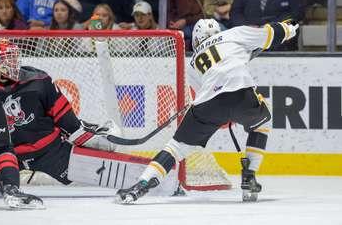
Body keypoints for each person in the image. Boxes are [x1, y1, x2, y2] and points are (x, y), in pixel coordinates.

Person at [116, 18, 299, 203]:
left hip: (207, 106)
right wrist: (289, 28)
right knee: (262, 123)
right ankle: (249, 174)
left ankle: (141, 184)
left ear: (196, 40)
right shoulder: (233, 34)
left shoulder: (193, 62)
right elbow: (270, 33)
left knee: (175, 148)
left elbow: (207, 93)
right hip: (241, 97)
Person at [0, 39, 121, 209]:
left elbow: (65, 117)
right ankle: (9, 186)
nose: (13, 63)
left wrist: (86, 138)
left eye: (14, 58)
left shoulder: (38, 80)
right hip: (3, 151)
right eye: (7, 59)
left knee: (81, 184)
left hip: (49, 150)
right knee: (0, 150)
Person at [230, 0, 304, 51]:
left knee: (292, 26)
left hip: (279, 36)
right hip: (250, 37)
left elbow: (298, 14)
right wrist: (247, 27)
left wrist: (271, 28)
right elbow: (235, 13)